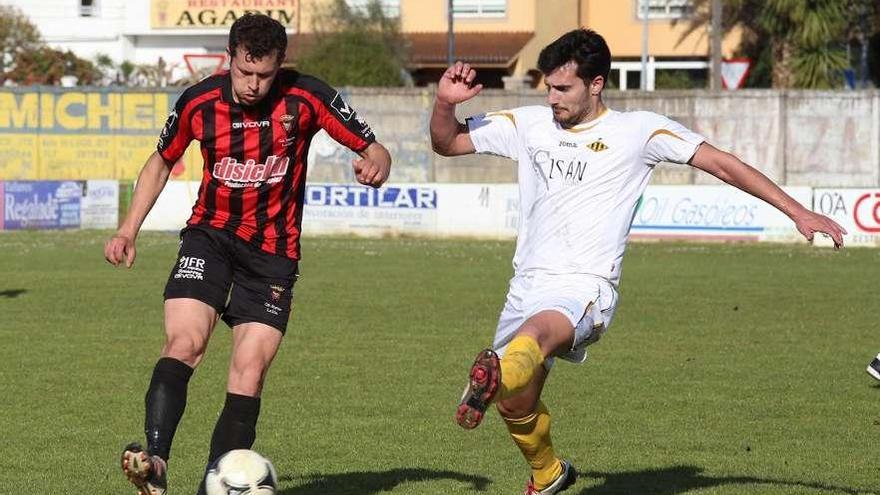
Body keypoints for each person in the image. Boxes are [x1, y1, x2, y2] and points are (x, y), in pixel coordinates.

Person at [430, 29, 845, 495]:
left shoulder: (639, 131)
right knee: (515, 404)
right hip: (526, 284)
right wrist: (445, 104)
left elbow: (723, 164)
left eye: (563, 88)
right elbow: (447, 143)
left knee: (533, 340)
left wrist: (798, 211)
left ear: (596, 84)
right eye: (548, 87)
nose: (552, 98)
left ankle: (497, 375)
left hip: (586, 287)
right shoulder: (527, 124)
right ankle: (547, 473)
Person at [104, 14, 391, 495]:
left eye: (265, 75)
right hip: (210, 236)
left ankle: (217, 483)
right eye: (245, 72)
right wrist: (128, 227)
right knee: (184, 344)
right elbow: (161, 160)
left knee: (249, 371)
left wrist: (376, 161)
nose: (254, 84)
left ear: (281, 65)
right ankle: (155, 463)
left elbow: (374, 146)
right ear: (230, 58)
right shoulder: (198, 101)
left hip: (274, 255)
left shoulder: (308, 96)